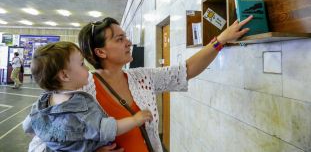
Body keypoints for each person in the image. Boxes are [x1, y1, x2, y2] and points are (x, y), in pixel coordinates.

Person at [28, 15, 253, 152]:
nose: (129, 42)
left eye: (125, 36)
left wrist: (220, 41)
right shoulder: (79, 91)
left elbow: (183, 72)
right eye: (119, 39)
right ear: (100, 51)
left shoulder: (140, 78)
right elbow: (41, 144)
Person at [23, 41, 153, 151]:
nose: (86, 68)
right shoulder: (80, 106)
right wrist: (136, 120)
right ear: (65, 76)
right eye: (81, 64)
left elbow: (28, 127)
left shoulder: (42, 103)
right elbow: (107, 129)